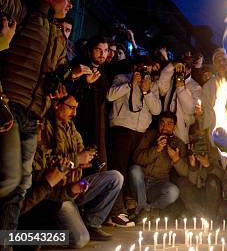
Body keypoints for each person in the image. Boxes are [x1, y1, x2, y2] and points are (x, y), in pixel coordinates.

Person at [0, 0, 78, 233]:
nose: (69, 5)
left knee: (22, 183)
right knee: (8, 180)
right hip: (10, 106)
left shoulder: (57, 34)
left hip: (34, 115)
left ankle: (6, 240)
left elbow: (58, 69)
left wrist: (63, 77)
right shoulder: (25, 13)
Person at [23, 95, 123, 245]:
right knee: (79, 239)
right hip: (56, 194)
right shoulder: (43, 128)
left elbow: (78, 151)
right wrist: (76, 160)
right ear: (57, 105)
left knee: (115, 177)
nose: (74, 113)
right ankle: (38, 236)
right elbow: (44, 165)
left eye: (76, 108)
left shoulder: (70, 127)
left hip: (71, 187)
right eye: (71, 107)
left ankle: (91, 223)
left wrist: (86, 158)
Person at [105, 55, 162, 226]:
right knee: (118, 170)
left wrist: (147, 91)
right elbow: (109, 96)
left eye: (149, 70)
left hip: (140, 133)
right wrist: (130, 84)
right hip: (121, 129)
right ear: (135, 67)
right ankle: (115, 212)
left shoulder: (151, 85)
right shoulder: (122, 78)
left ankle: (126, 208)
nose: (145, 72)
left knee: (133, 171)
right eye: (142, 68)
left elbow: (157, 110)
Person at [129, 111, 188, 218]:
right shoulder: (150, 135)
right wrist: (157, 149)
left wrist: (175, 158)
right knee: (135, 170)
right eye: (162, 123)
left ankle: (148, 210)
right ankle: (142, 207)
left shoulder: (179, 143)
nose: (165, 127)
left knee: (173, 191)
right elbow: (137, 158)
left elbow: (185, 172)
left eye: (169, 124)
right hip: (140, 183)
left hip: (158, 185)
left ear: (174, 126)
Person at [69, 36, 111, 167]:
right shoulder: (79, 66)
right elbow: (70, 93)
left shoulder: (104, 73)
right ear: (90, 50)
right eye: (98, 50)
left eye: (105, 50)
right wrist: (86, 83)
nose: (102, 54)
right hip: (76, 117)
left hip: (95, 120)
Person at [173, 125, 223, 218]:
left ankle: (209, 216)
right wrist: (193, 166)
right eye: (195, 136)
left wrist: (208, 165)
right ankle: (202, 215)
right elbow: (192, 182)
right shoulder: (189, 152)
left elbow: (221, 177)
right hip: (196, 195)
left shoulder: (214, 152)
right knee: (182, 181)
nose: (199, 139)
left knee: (212, 179)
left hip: (212, 194)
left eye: (201, 136)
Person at [158, 56, 203, 143]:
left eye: (183, 68)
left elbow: (191, 109)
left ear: (189, 70)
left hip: (181, 126)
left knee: (179, 150)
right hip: (165, 124)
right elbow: (162, 88)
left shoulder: (195, 87)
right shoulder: (171, 82)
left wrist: (181, 88)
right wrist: (172, 65)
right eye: (178, 68)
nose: (179, 70)